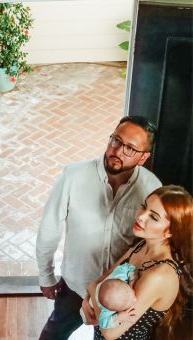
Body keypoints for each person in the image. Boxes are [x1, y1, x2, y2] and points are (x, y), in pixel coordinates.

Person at [36, 115, 162, 339]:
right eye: (116, 140)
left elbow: (153, 242)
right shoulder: (73, 176)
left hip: (122, 292)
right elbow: (49, 229)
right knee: (52, 335)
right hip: (75, 286)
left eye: (130, 148)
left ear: (143, 158)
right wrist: (46, 277)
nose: (118, 151)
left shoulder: (152, 188)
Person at [82, 185, 193, 339]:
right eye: (144, 207)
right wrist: (87, 299)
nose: (141, 216)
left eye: (153, 217)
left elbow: (110, 333)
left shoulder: (160, 274)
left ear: (170, 231)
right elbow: (104, 279)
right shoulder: (141, 245)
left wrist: (93, 290)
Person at [80, 262, 137, 329]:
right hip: (88, 310)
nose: (134, 299)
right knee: (87, 320)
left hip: (95, 290)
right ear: (112, 310)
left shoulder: (120, 275)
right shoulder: (106, 311)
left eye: (129, 290)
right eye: (128, 303)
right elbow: (103, 323)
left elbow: (127, 266)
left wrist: (132, 280)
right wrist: (119, 317)